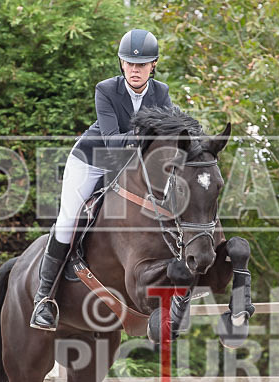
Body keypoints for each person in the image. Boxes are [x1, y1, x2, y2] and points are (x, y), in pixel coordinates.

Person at [30, 28, 173, 331]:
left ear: (154, 64)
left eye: (142, 64)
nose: (135, 70)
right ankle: (44, 299)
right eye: (130, 64)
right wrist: (147, 132)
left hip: (132, 165)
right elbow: (111, 141)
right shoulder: (106, 89)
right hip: (93, 160)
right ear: (122, 64)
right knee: (69, 218)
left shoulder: (161, 92)